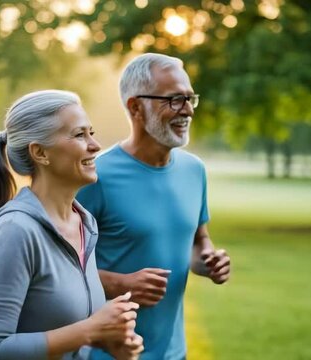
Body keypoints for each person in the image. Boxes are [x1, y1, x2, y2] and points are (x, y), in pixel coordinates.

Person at [0, 90, 144, 360]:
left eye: (91, 133)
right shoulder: (15, 230)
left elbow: (65, 326)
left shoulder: (85, 223)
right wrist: (90, 330)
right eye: (80, 135)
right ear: (40, 152)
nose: (95, 145)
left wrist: (109, 341)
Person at [77, 53, 231, 360]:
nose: (186, 110)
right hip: (106, 354)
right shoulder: (94, 176)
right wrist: (120, 283)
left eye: (189, 98)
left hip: (174, 352)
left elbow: (198, 240)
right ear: (136, 107)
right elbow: (57, 268)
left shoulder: (194, 171)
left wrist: (208, 260)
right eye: (173, 99)